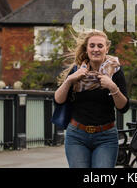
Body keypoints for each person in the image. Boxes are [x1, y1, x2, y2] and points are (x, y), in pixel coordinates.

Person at [54, 29, 129, 168]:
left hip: (106, 137)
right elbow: (58, 100)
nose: (96, 49)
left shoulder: (115, 71)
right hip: (77, 136)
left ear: (106, 48)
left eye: (100, 46)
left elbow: (123, 107)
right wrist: (70, 80)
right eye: (92, 45)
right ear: (86, 48)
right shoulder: (77, 70)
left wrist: (113, 87)